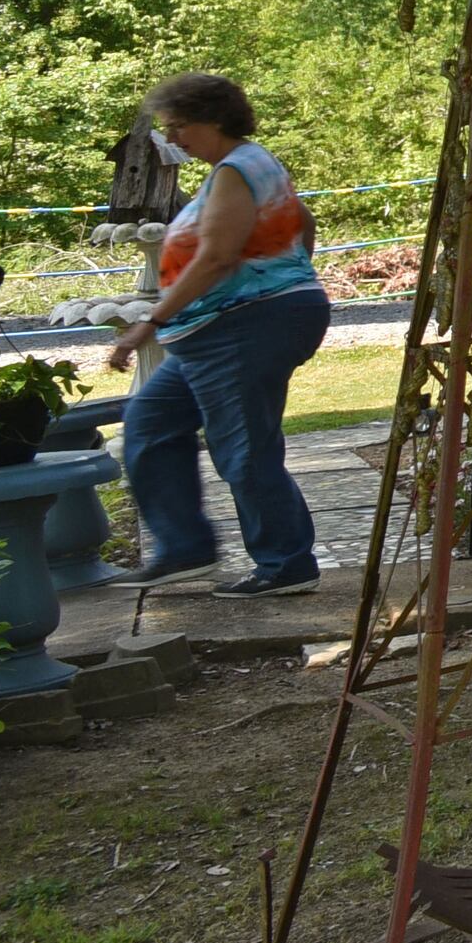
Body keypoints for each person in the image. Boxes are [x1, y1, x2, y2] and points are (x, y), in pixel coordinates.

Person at [103, 73, 328, 594]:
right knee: (151, 421)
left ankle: (285, 563)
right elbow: (305, 223)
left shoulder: (235, 170)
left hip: (243, 328)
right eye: (168, 129)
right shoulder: (248, 166)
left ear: (215, 119)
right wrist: (288, 276)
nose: (174, 139)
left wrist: (148, 323)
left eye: (179, 127)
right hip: (217, 330)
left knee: (244, 448)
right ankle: (185, 550)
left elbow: (218, 256)